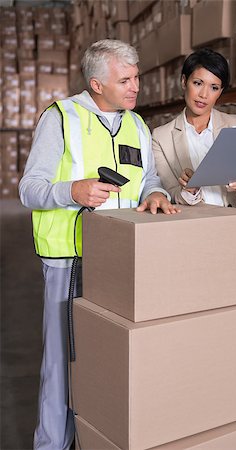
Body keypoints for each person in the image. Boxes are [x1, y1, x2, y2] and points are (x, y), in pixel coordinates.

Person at [19, 39, 179, 450]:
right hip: (69, 258)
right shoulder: (61, 119)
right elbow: (30, 190)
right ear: (96, 84)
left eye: (136, 77)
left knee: (111, 358)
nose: (135, 86)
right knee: (61, 362)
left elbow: (148, 179)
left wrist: (157, 193)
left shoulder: (136, 124)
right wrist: (72, 190)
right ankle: (52, 444)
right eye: (124, 79)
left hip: (121, 258)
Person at [152, 48, 236, 296]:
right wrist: (190, 190)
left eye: (214, 87)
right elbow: (172, 194)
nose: (204, 94)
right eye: (198, 83)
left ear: (221, 92)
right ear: (184, 81)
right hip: (197, 242)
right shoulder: (161, 136)